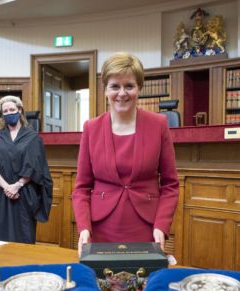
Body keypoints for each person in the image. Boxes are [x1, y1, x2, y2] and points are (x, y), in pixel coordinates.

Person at [72, 52, 179, 256]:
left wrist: (162, 226)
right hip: (101, 227)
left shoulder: (158, 125)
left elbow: (170, 184)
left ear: (139, 88)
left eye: (129, 85)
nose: (122, 93)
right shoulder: (91, 128)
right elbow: (82, 187)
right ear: (105, 90)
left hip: (147, 227)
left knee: (142, 284)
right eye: (115, 86)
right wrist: (84, 227)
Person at [0, 95, 53, 243]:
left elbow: (35, 167)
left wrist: (17, 185)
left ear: (19, 110)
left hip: (24, 195)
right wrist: (7, 187)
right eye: (5, 111)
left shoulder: (33, 137)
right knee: (1, 240)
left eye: (12, 109)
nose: (9, 113)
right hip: (2, 194)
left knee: (25, 237)